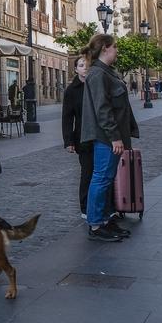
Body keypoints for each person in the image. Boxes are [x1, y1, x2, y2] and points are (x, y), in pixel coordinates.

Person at [81, 34, 138, 242]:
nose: (117, 51)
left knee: (106, 178)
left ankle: (104, 220)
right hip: (105, 137)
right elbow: (102, 110)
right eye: (115, 47)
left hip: (111, 136)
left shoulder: (106, 72)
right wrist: (114, 137)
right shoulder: (97, 74)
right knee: (102, 177)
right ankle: (95, 225)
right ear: (105, 49)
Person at [62, 54, 94, 219]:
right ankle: (85, 207)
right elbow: (67, 117)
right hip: (82, 137)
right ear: (75, 69)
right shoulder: (71, 91)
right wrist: (68, 141)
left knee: (102, 173)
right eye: (81, 65)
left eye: (87, 65)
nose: (84, 68)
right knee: (87, 172)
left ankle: (105, 205)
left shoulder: (96, 85)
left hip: (100, 136)